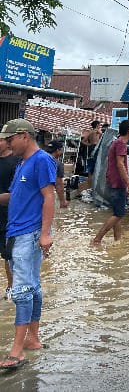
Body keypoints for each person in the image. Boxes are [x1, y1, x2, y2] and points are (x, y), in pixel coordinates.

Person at [0, 119, 56, 370]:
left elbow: (49, 196)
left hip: (29, 234)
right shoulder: (23, 163)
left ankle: (17, 351)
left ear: (24, 136)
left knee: (22, 290)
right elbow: (15, 197)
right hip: (17, 232)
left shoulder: (41, 160)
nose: (7, 145)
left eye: (10, 140)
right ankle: (33, 339)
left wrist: (45, 233)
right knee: (32, 287)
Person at [91, 120, 129, 246]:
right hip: (118, 183)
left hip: (113, 182)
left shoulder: (116, 142)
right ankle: (97, 239)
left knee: (118, 213)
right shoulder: (121, 144)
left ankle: (117, 240)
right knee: (119, 214)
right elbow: (120, 164)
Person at [0, 136, 21, 299]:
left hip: (9, 215)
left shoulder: (17, 162)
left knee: (8, 254)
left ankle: (11, 286)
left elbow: (20, 193)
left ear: (7, 142)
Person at [43, 141, 68, 209]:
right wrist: (62, 201)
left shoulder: (37, 159)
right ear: (58, 150)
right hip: (45, 195)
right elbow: (59, 184)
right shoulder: (57, 164)